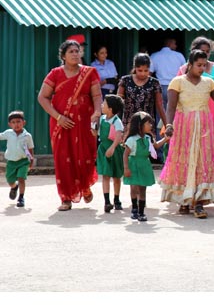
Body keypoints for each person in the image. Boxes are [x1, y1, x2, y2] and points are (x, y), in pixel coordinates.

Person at [159, 49, 214, 219]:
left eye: (204, 65)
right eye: (198, 65)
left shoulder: (209, 82)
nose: (202, 68)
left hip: (204, 128)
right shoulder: (177, 82)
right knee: (184, 160)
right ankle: (184, 200)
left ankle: (199, 202)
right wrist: (169, 125)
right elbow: (171, 107)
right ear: (190, 64)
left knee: (201, 162)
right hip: (183, 127)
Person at [38, 39, 101, 211]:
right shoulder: (55, 74)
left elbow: (97, 96)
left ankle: (85, 186)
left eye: (77, 51)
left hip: (85, 122)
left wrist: (97, 114)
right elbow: (42, 97)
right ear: (63, 56)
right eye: (71, 51)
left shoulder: (89, 72)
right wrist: (58, 117)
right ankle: (65, 198)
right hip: (61, 123)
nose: (75, 54)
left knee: (86, 155)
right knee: (63, 159)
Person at [177, 37, 214, 178]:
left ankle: (210, 179)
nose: (205, 54)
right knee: (193, 145)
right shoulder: (184, 69)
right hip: (191, 112)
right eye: (202, 50)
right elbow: (178, 93)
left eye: (208, 51)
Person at [123, 111, 169, 222]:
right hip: (134, 165)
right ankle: (134, 209)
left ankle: (141, 212)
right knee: (134, 188)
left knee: (143, 189)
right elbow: (125, 154)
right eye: (148, 123)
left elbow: (156, 146)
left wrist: (165, 139)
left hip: (144, 165)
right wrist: (126, 168)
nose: (151, 125)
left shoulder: (148, 138)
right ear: (140, 125)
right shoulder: (132, 140)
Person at [118, 53, 168, 142]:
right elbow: (118, 102)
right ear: (135, 68)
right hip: (128, 124)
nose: (143, 73)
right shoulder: (125, 81)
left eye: (146, 70)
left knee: (146, 147)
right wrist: (114, 123)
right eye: (140, 70)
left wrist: (167, 125)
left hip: (147, 125)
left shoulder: (154, 83)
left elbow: (160, 106)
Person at [95, 94, 125, 213]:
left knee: (116, 176)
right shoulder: (102, 119)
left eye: (104, 104)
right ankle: (107, 201)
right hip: (103, 149)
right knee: (105, 175)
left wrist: (112, 148)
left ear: (110, 109)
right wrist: (93, 126)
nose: (102, 105)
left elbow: (118, 136)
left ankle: (116, 199)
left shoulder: (117, 121)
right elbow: (96, 134)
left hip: (114, 150)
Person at [1, 110, 34, 208]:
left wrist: (31, 161)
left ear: (24, 122)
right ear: (9, 124)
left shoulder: (27, 136)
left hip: (23, 161)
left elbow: (30, 149)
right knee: (10, 181)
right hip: (11, 162)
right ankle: (14, 187)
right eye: (13, 122)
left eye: (18, 121)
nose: (16, 124)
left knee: (21, 179)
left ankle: (21, 197)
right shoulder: (8, 133)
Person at [149, 37, 186, 122]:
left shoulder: (154, 56)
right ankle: (174, 130)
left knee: (160, 114)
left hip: (160, 88)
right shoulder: (179, 55)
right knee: (175, 113)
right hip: (176, 87)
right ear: (169, 44)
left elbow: (149, 73)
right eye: (174, 44)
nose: (176, 46)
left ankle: (160, 131)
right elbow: (185, 72)